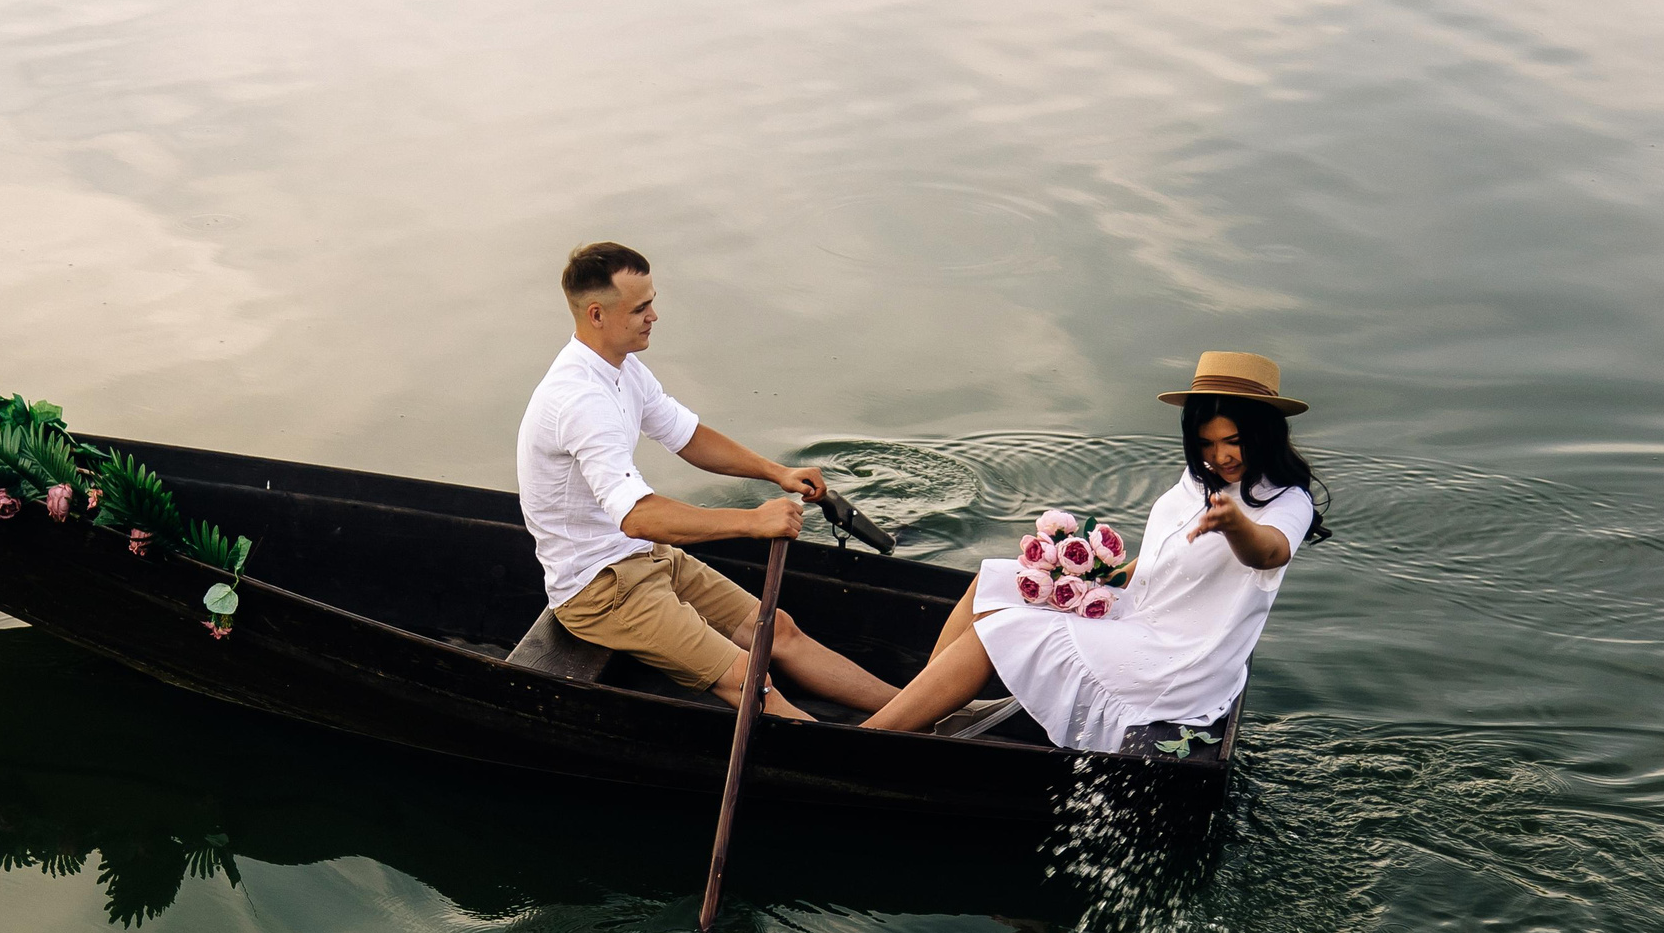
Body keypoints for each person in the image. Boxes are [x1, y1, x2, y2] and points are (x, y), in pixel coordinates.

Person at [516, 242, 898, 722]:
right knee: (748, 677)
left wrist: (777, 473)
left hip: (646, 556)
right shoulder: (579, 401)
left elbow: (689, 437)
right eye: (640, 308)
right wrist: (753, 522)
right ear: (597, 314)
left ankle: (922, 714)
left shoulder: (623, 369)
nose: (654, 316)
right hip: (598, 590)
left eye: (652, 302)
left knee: (778, 631)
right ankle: (872, 755)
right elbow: (637, 516)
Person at [869, 351, 1330, 749]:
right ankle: (920, 709)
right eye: (1206, 443)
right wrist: (1110, 576)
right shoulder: (1199, 478)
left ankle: (872, 737)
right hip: (1140, 614)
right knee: (994, 580)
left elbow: (1269, 553)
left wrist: (1235, 525)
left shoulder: (1287, 501)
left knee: (1004, 630)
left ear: (1264, 433)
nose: (1221, 455)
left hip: (1181, 660)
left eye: (1234, 441)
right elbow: (1164, 556)